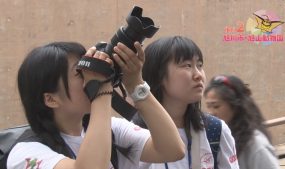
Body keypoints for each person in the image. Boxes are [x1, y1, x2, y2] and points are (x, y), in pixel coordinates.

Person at [6, 41, 185, 169]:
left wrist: (135, 83)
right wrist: (101, 91)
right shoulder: (25, 153)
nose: (90, 75)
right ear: (51, 99)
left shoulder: (111, 129)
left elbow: (173, 150)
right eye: (80, 72)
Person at [133, 36, 239, 169]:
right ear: (158, 75)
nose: (198, 75)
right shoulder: (132, 134)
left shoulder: (215, 130)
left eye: (199, 65)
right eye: (187, 65)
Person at [204, 75, 280, 169]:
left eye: (216, 106)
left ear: (235, 106)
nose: (211, 113)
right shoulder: (214, 137)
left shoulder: (256, 146)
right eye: (208, 106)